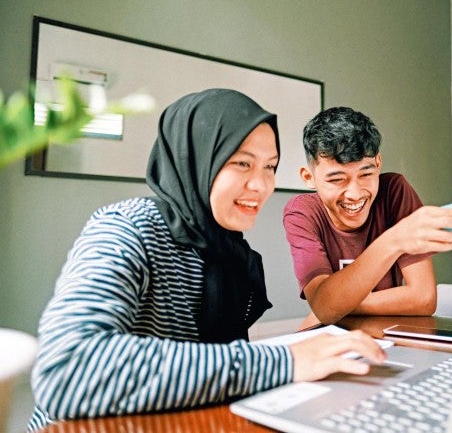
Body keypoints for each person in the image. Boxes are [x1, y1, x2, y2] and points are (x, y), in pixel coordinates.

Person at [28, 90, 385, 430]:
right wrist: (287, 361)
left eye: (270, 167)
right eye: (242, 164)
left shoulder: (229, 251)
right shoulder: (126, 228)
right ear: (196, 158)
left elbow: (214, 376)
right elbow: (67, 368)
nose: (261, 185)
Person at [283, 107, 452, 327]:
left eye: (366, 174)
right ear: (309, 177)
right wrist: (394, 240)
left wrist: (334, 306)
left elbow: (424, 298)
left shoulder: (395, 191)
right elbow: (324, 308)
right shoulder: (302, 212)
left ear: (378, 163)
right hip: (337, 335)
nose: (355, 194)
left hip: (390, 332)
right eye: (336, 180)